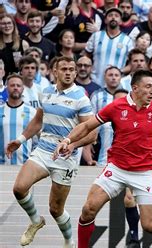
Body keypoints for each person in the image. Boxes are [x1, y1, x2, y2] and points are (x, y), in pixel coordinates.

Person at [53, 70, 152, 248]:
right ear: (135, 88)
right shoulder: (116, 106)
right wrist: (68, 140)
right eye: (148, 87)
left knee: (150, 227)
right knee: (88, 209)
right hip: (116, 168)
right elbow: (88, 125)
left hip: (144, 172)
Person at [5, 57, 94, 247]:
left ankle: (69, 241)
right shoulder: (45, 92)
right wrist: (20, 140)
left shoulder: (81, 98)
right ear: (55, 71)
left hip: (65, 157)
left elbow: (92, 134)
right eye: (64, 69)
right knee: (19, 188)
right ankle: (36, 221)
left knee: (56, 209)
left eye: (72, 69)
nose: (69, 72)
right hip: (44, 150)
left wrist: (72, 145)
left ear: (76, 73)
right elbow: (38, 121)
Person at [0, 74, 37, 165]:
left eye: (18, 85)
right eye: (12, 85)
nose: (15, 88)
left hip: (25, 165)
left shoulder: (32, 112)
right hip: (2, 165)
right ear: (6, 88)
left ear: (23, 88)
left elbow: (37, 140)